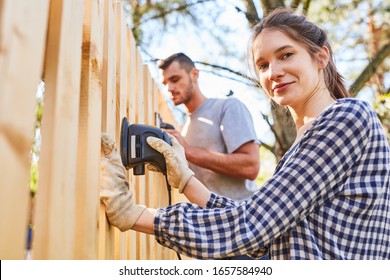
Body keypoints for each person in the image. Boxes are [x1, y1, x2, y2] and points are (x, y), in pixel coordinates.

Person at [99, 8, 390, 259]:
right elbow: (264, 229)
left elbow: (252, 225)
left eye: (286, 54)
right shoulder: (304, 144)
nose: (273, 72)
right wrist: (187, 181)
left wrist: (133, 214)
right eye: (262, 65)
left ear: (321, 57)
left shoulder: (346, 117)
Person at [157, 53, 260, 202]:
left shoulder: (227, 107)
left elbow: (250, 166)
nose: (169, 88)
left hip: (245, 216)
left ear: (194, 74)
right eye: (165, 83)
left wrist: (189, 151)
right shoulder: (184, 129)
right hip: (209, 221)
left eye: (175, 79)